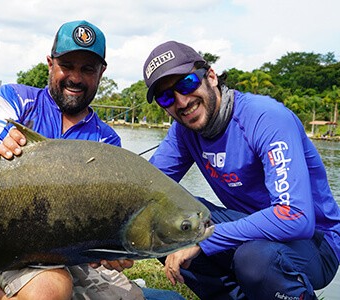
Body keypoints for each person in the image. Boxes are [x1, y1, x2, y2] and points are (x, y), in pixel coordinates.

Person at [0, 21, 184, 300]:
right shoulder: (14, 99)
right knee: (52, 288)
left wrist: (111, 249)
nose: (75, 77)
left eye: (87, 69)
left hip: (72, 256)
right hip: (2, 243)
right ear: (50, 63)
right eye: (67, 65)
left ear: (101, 72)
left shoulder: (106, 140)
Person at [143, 40, 340, 299]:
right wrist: (103, 246)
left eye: (186, 84)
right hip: (248, 229)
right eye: (167, 97)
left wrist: (206, 238)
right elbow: (145, 190)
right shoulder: (184, 132)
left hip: (314, 241)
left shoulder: (265, 118)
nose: (181, 101)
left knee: (254, 259)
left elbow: (296, 217)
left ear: (211, 76)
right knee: (162, 217)